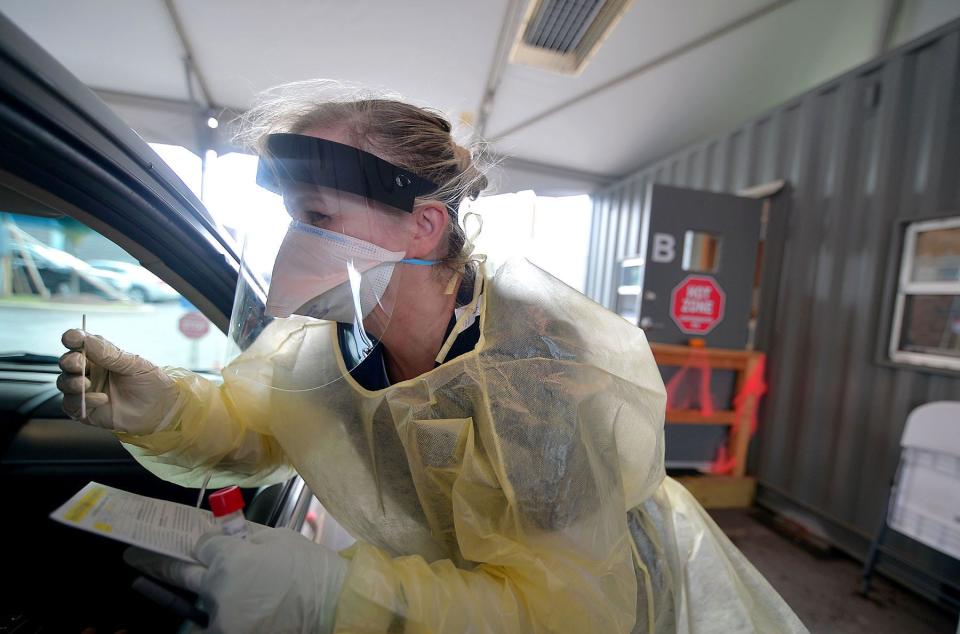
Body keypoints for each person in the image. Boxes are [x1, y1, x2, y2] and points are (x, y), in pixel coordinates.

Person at [56, 82, 807, 633]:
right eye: (291, 218)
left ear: (422, 227)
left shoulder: (541, 372)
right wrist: (163, 407)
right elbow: (257, 424)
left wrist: (330, 598)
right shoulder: (334, 343)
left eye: (319, 216)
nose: (295, 245)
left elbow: (560, 613)